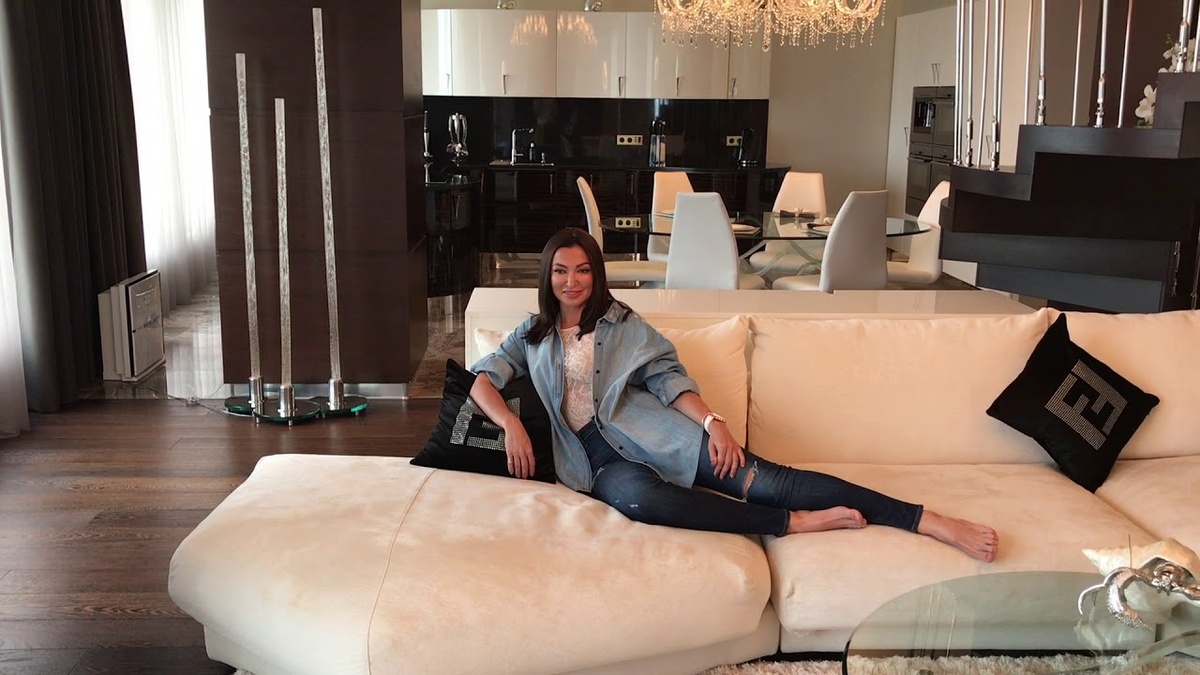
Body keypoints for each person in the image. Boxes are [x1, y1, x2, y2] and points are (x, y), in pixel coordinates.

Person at [470, 227, 999, 562]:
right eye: (561, 271)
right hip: (595, 462)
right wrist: (511, 424)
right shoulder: (531, 336)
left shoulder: (623, 323)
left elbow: (668, 379)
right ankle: (790, 525)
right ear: (548, 276)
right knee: (643, 502)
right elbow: (480, 381)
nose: (572, 281)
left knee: (770, 481)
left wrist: (712, 423)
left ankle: (925, 519)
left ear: (596, 274)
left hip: (661, 434)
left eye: (583, 270)